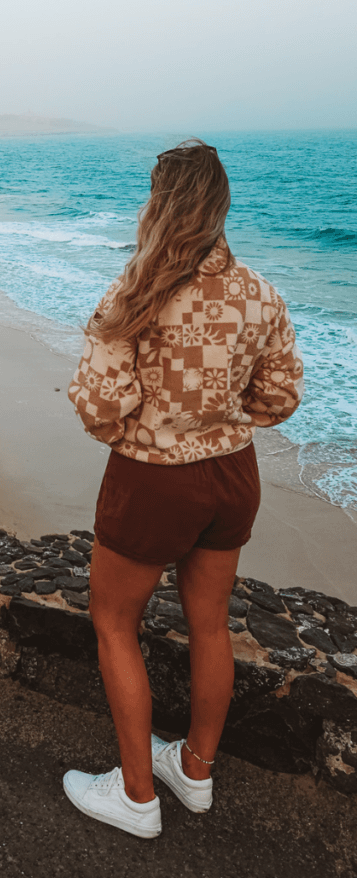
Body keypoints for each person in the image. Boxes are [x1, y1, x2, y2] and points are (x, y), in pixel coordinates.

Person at [63, 139, 303, 839]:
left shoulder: (137, 291)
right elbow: (283, 395)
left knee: (114, 623)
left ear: (160, 204)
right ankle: (194, 771)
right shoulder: (261, 293)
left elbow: (100, 405)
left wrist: (157, 431)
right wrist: (221, 423)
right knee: (210, 624)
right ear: (221, 205)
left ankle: (137, 796)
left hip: (153, 482)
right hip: (233, 476)